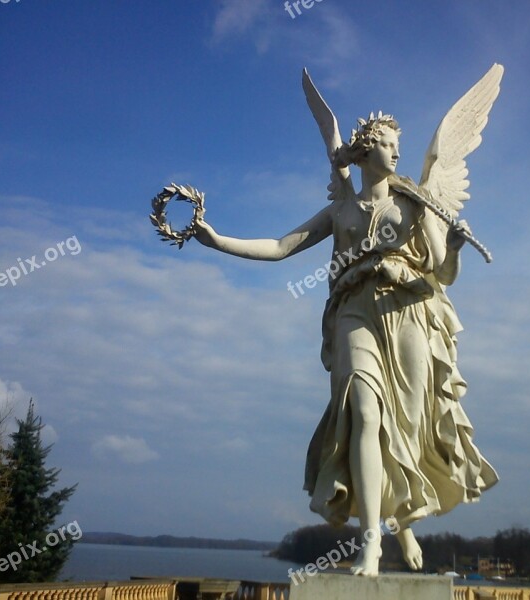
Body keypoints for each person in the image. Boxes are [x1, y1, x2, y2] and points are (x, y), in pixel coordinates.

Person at [192, 113, 498, 576]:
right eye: (389, 145)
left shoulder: (414, 202)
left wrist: (452, 246)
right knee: (365, 413)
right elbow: (280, 246)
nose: (397, 152)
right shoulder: (343, 211)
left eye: (398, 146)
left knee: (405, 427)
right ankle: (370, 544)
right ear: (365, 151)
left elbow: (442, 273)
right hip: (353, 311)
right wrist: (216, 241)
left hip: (406, 315)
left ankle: (400, 518)